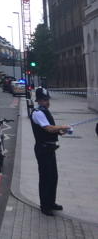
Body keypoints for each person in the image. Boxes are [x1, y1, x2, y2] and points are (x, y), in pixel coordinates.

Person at [30, 87, 70, 216]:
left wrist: (59, 131)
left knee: (53, 177)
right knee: (46, 177)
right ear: (38, 100)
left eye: (48, 99)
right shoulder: (38, 112)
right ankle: (45, 205)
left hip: (49, 148)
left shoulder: (45, 111)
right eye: (44, 100)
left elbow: (52, 129)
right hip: (43, 148)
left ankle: (51, 202)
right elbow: (48, 128)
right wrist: (61, 126)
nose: (47, 102)